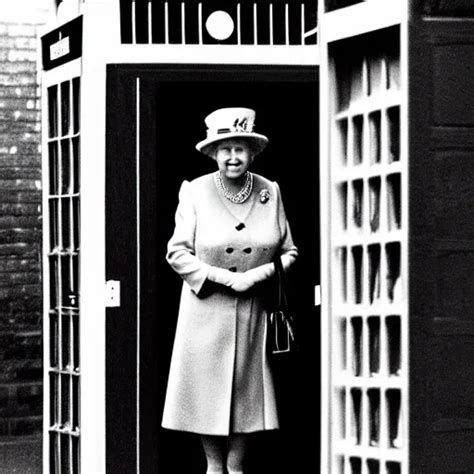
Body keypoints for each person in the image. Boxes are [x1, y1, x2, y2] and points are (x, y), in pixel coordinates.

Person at [162, 107, 298, 474]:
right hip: (206, 310)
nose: (233, 157)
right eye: (225, 149)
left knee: (246, 394)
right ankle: (213, 467)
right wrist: (224, 278)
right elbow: (176, 253)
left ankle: (235, 469)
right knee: (207, 393)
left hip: (254, 309)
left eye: (240, 149)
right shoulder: (195, 191)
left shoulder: (271, 190)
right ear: (213, 153)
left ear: (252, 152)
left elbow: (290, 252)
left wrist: (255, 277)